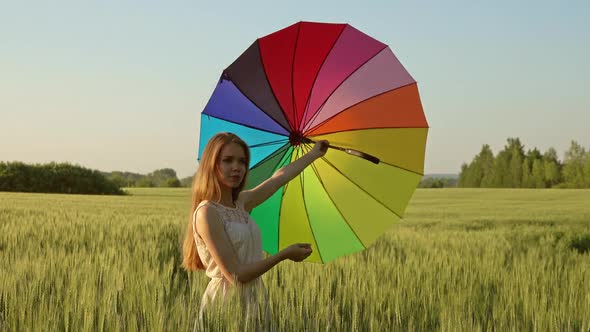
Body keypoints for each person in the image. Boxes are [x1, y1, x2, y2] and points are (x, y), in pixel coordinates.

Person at [182, 132, 328, 329]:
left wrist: (314, 154)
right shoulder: (207, 213)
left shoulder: (242, 203)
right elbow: (236, 275)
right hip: (226, 304)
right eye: (228, 160)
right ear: (212, 164)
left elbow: (279, 178)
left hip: (255, 299)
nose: (237, 167)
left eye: (242, 162)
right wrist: (283, 255)